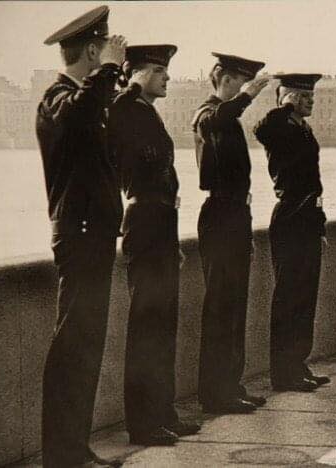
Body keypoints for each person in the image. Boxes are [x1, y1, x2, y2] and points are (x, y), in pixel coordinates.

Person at [37, 6, 125, 467]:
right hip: (80, 235)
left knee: (87, 345)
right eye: (104, 51)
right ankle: (62, 455)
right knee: (74, 344)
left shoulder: (86, 101)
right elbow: (78, 116)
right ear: (93, 49)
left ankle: (75, 450)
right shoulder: (58, 99)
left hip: (95, 234)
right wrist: (109, 68)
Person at [108, 44, 200, 446]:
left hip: (161, 225)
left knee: (164, 326)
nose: (167, 77)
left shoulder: (148, 113)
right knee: (147, 327)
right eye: (159, 70)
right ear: (136, 73)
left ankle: (163, 412)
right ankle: (142, 424)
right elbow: (111, 107)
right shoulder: (125, 109)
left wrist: (172, 239)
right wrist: (124, 78)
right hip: (144, 224)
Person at [191, 53, 270, 414]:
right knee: (221, 308)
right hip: (220, 215)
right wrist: (248, 97)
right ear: (222, 77)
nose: (244, 86)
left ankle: (231, 386)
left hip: (235, 214)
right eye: (240, 80)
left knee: (235, 307)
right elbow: (222, 116)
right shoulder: (209, 114)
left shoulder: (227, 119)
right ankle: (215, 393)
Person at [254, 74, 331, 392]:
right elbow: (261, 130)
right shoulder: (279, 127)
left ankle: (298, 364)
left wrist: (319, 223)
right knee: (289, 297)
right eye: (301, 95)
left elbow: (314, 182)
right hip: (289, 217)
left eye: (310, 95)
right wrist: (281, 107)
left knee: (305, 297)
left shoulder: (302, 128)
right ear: (285, 97)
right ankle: (283, 373)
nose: (309, 100)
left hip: (309, 217)